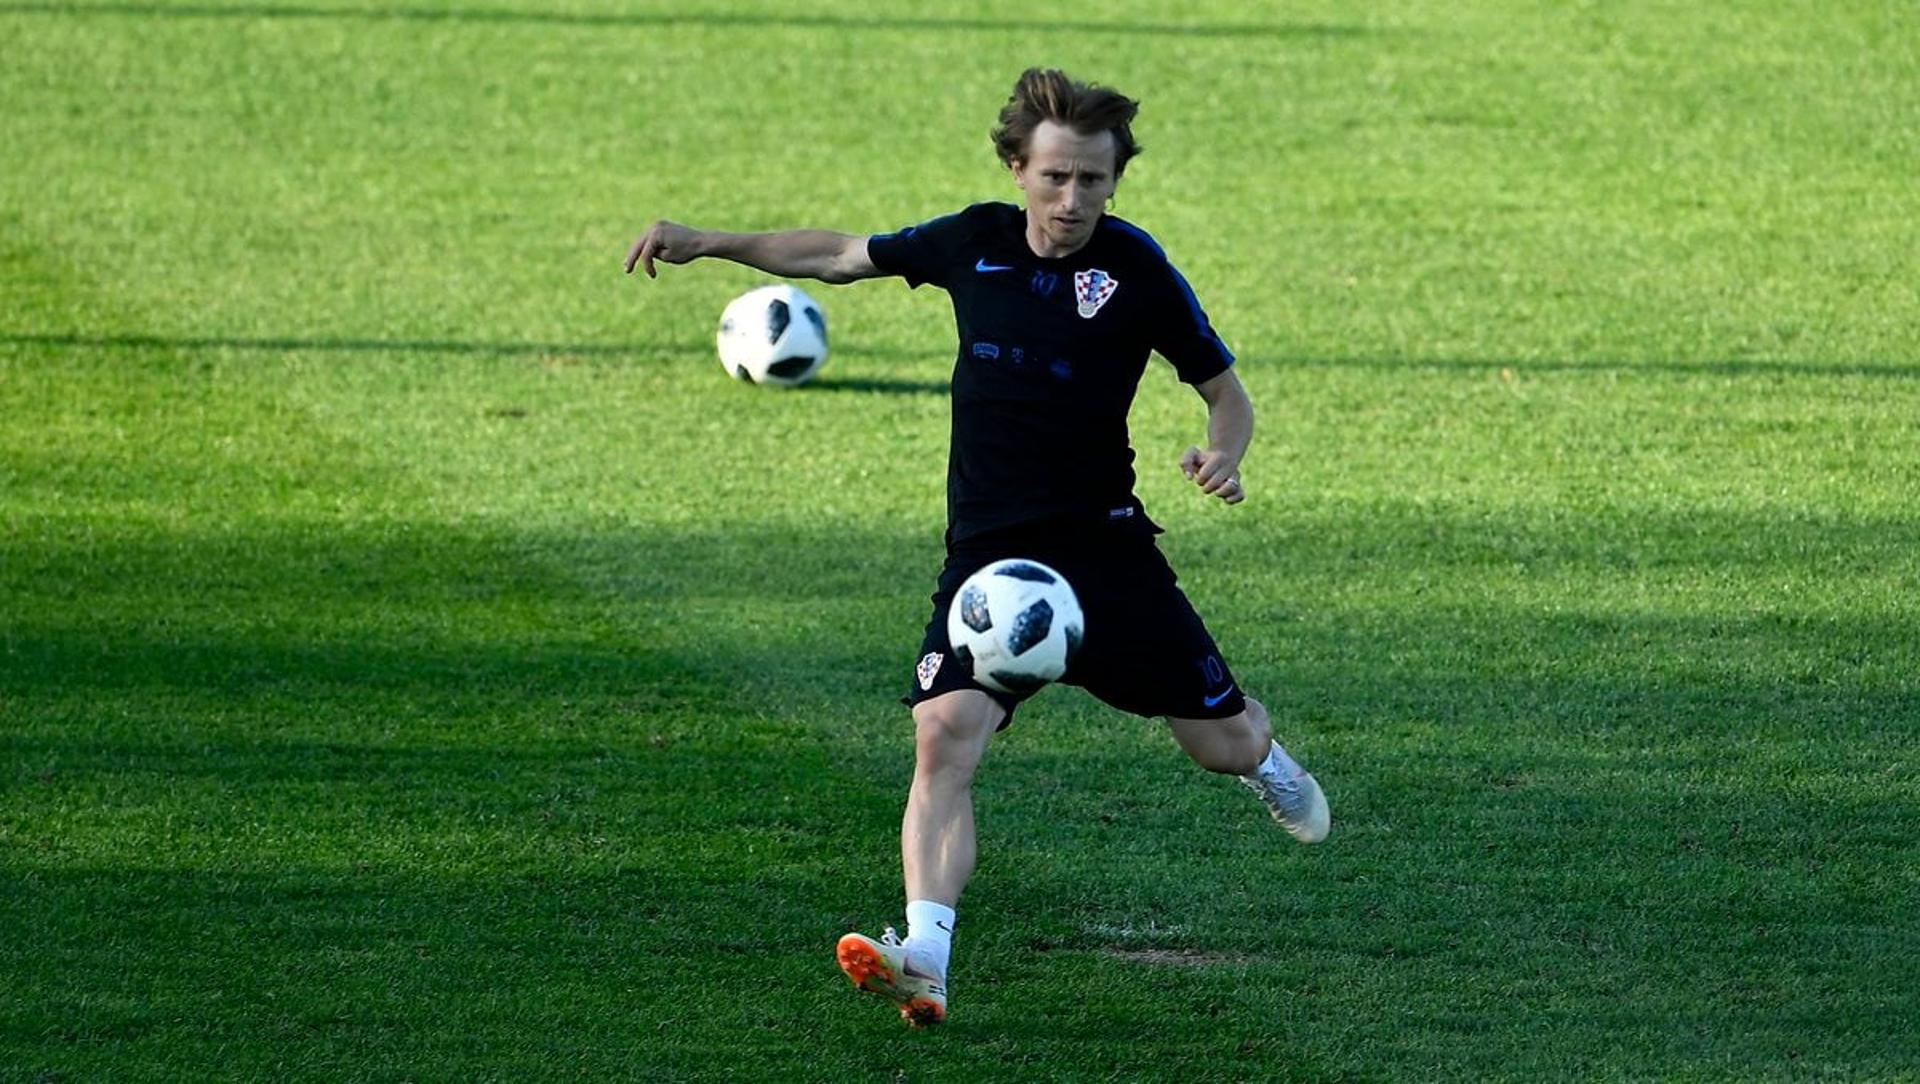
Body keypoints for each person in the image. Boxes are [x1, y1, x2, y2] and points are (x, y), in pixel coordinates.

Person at [624, 68, 1329, 1028]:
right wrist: (706, 241)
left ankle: (1265, 761)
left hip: (1106, 551)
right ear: (1017, 168)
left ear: (1115, 180)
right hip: (990, 560)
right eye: (1053, 178)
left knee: (1220, 741)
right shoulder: (971, 242)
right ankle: (927, 956)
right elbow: (836, 253)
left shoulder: (1136, 270)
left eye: (1092, 181)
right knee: (943, 735)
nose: (1071, 199)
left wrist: (1226, 457)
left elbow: (1224, 393)